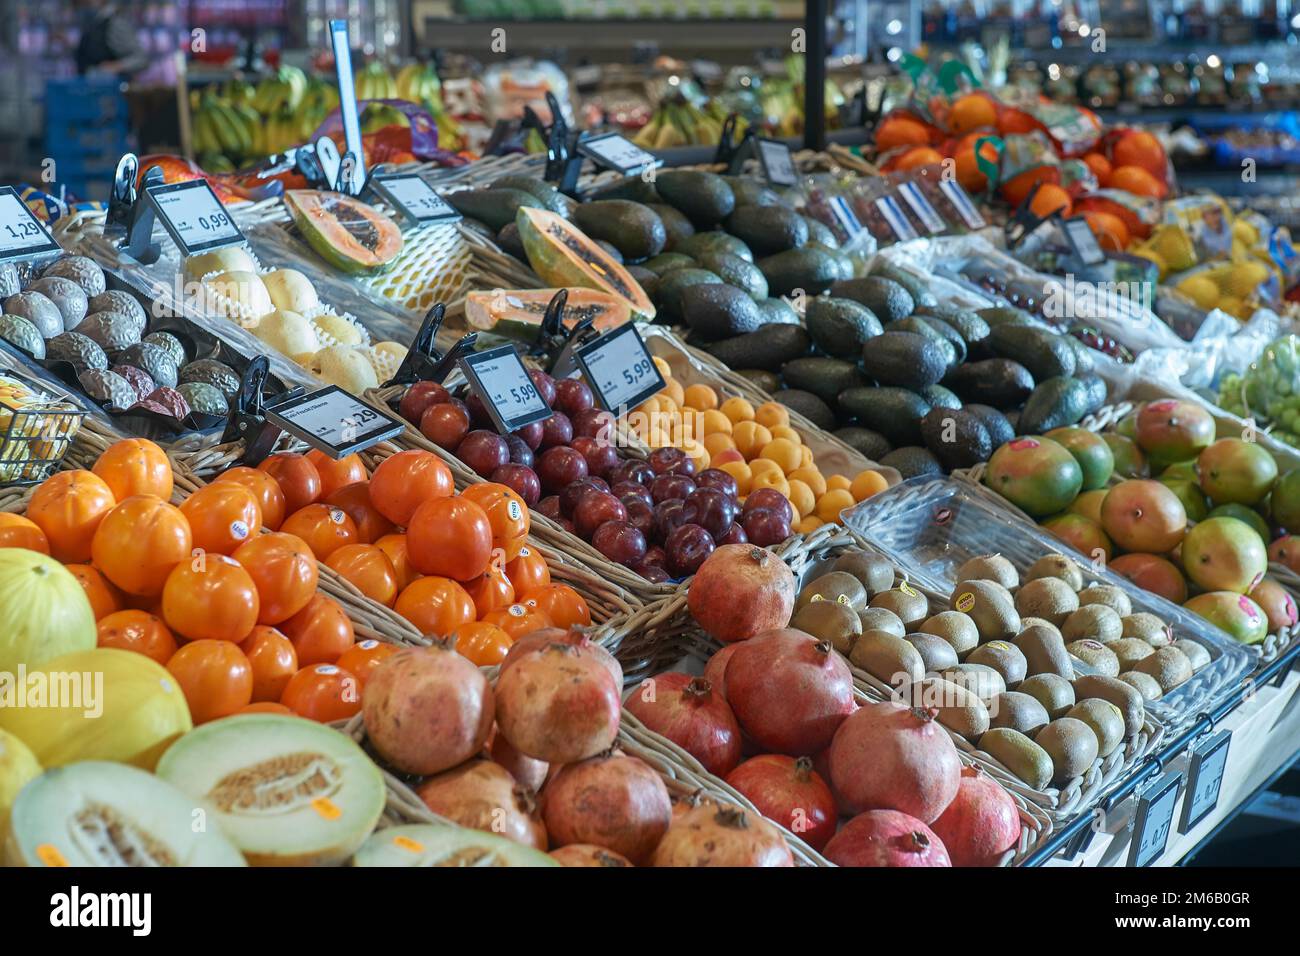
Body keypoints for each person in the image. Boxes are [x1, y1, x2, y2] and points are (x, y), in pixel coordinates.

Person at [74, 0, 148, 79]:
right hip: (90, 87)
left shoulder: (114, 24)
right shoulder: (92, 24)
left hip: (113, 88)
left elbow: (141, 59)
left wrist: (116, 66)